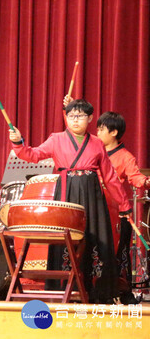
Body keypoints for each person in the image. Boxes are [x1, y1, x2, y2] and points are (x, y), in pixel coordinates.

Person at [9, 99, 132, 303]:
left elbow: (109, 177)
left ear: (90, 118)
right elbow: (34, 154)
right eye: (71, 116)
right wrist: (18, 142)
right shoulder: (56, 139)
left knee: (94, 237)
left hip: (92, 196)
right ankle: (66, 288)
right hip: (66, 195)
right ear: (65, 117)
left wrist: (125, 205)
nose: (75, 120)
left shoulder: (96, 143)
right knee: (66, 240)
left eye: (81, 116)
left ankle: (98, 291)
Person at [96, 111, 150, 304]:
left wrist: (146, 181)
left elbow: (135, 177)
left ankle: (120, 291)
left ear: (114, 132)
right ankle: (93, 289)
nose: (98, 132)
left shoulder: (125, 156)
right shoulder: (94, 149)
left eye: (101, 129)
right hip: (96, 212)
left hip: (117, 213)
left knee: (120, 253)